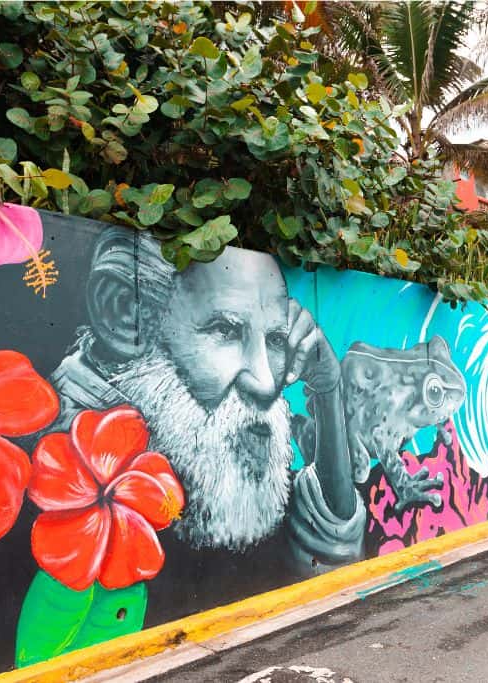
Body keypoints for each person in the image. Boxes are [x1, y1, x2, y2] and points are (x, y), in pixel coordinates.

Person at [45, 228, 365, 618]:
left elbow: (328, 546)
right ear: (124, 313)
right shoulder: (53, 469)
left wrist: (329, 390)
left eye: (277, 339)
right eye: (226, 330)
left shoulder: (218, 461)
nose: (267, 382)